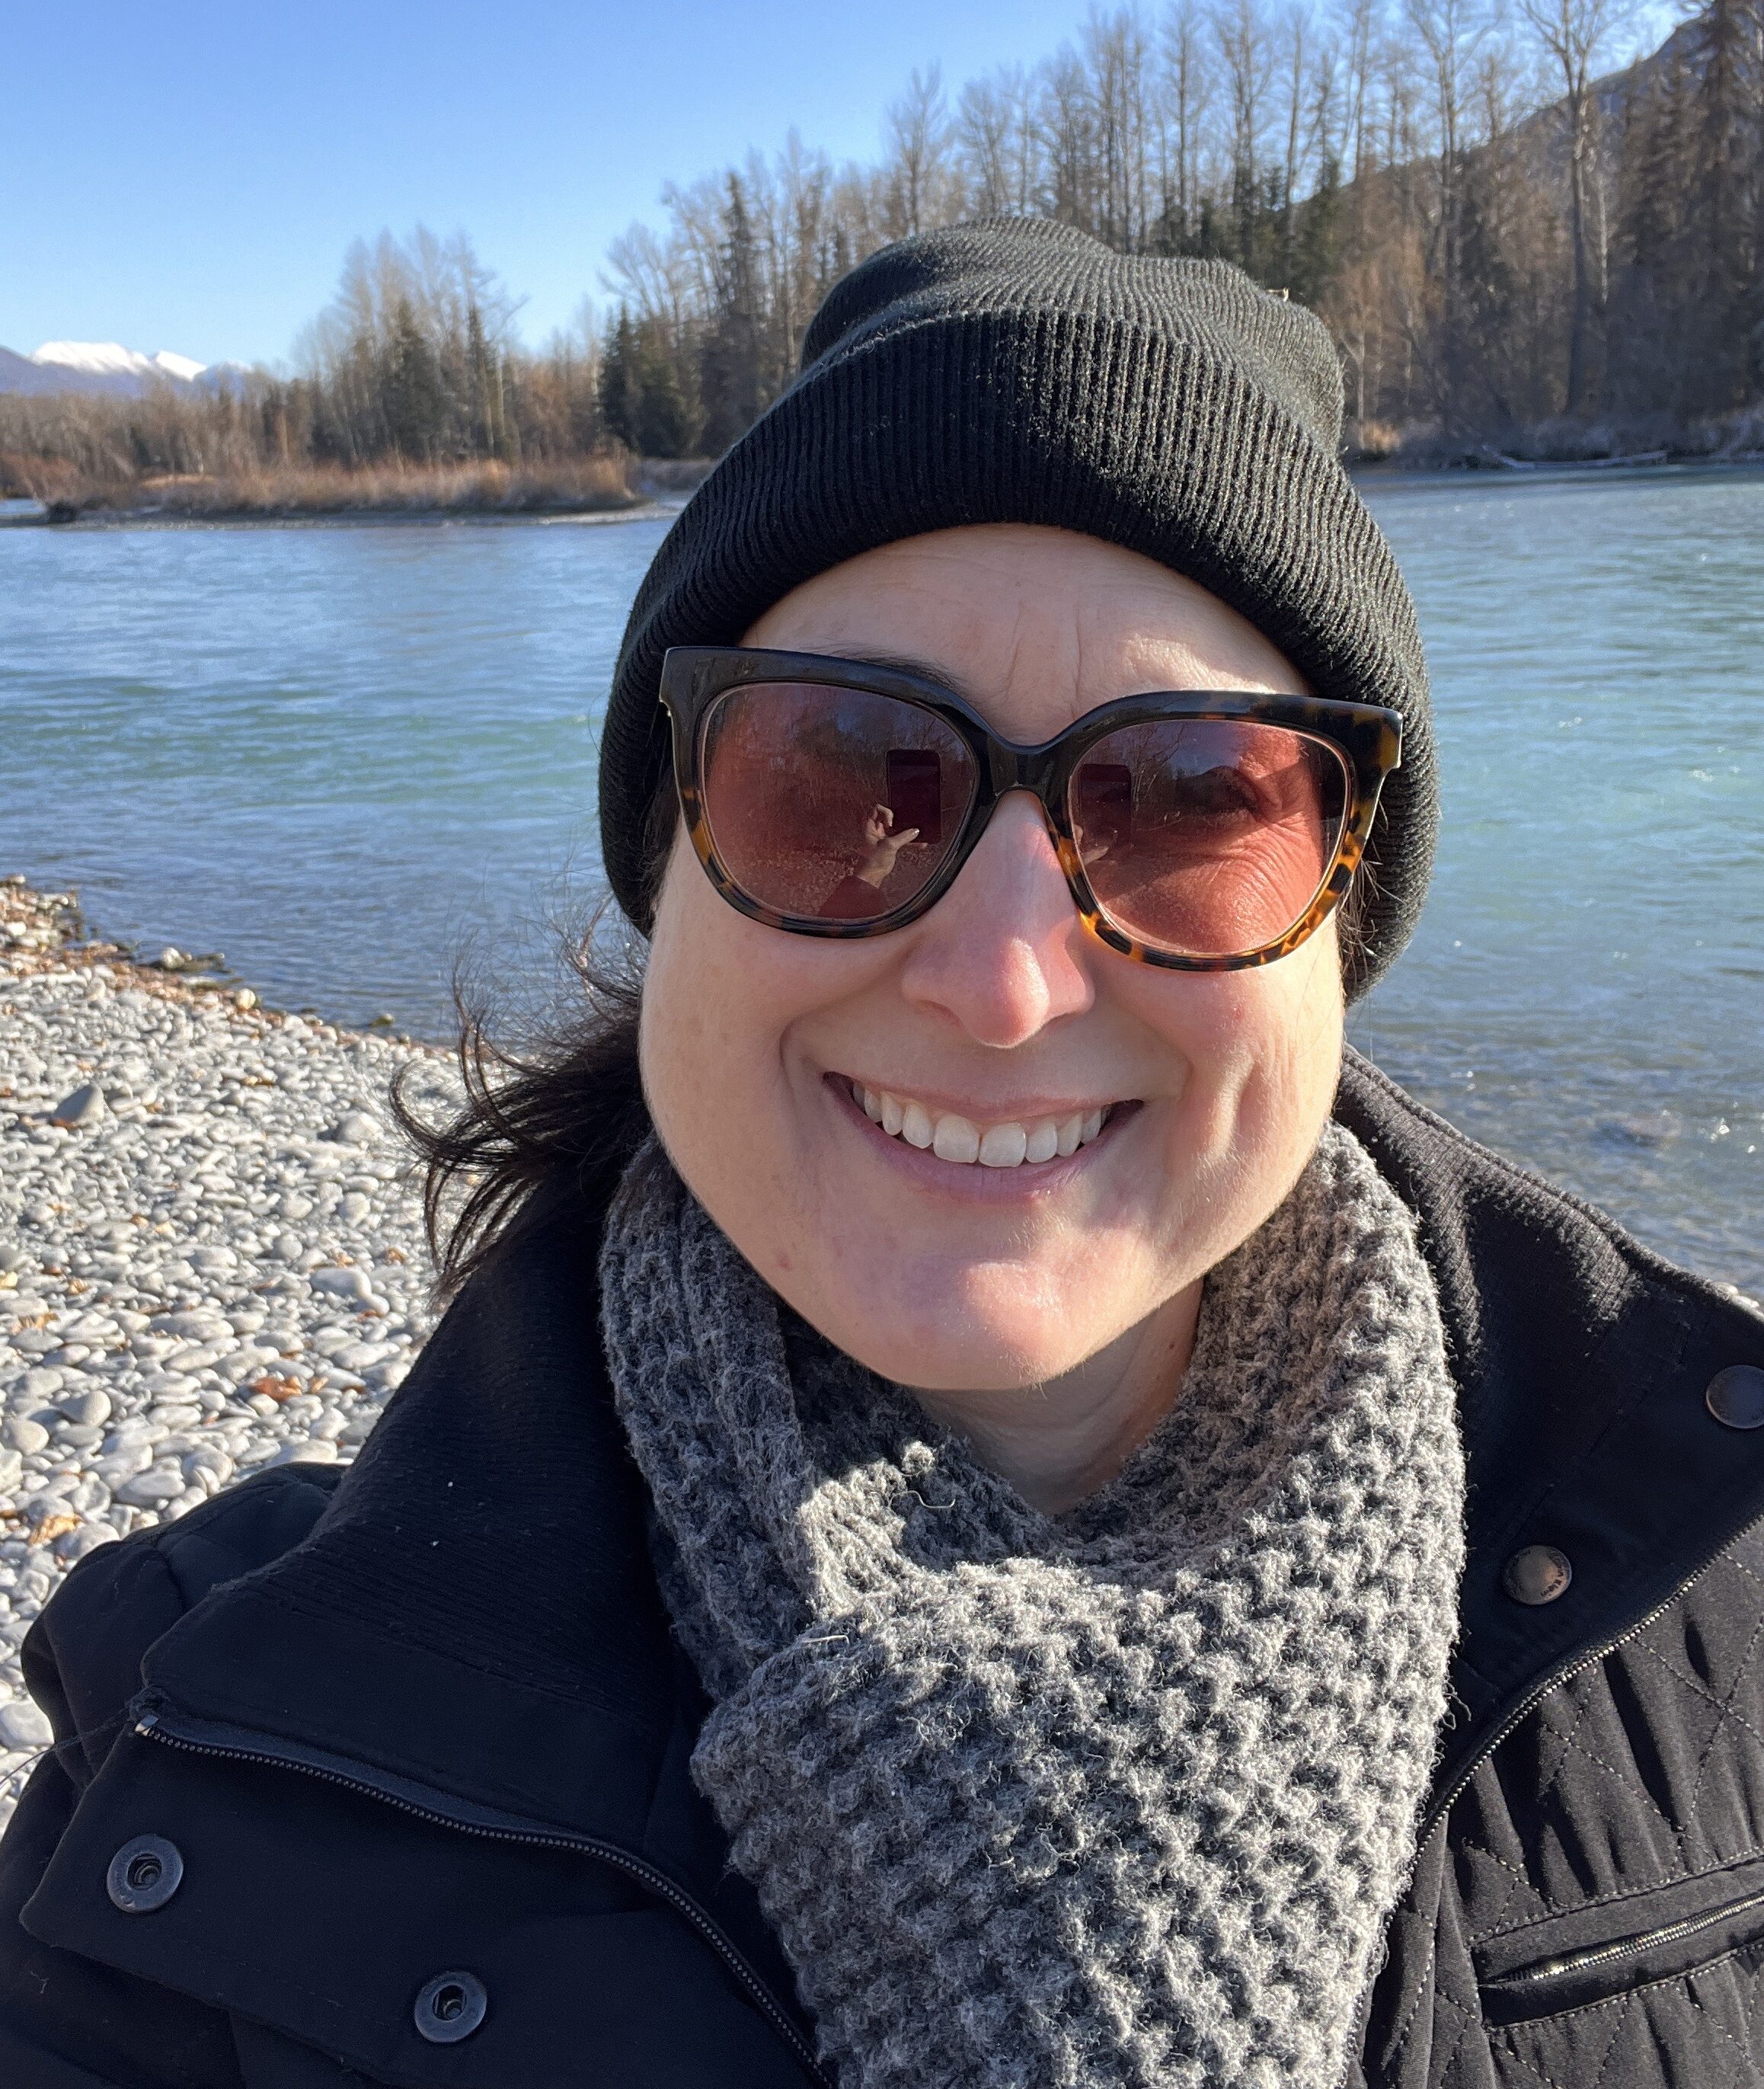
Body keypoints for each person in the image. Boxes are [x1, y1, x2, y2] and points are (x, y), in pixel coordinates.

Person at [3, 219, 1762, 2089]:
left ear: (1336, 923)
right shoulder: (198, 1755)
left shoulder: (1712, 1611)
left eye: (1191, 802)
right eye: (840, 776)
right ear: (672, 870)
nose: (1002, 982)